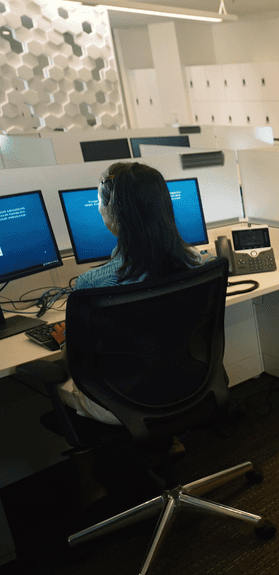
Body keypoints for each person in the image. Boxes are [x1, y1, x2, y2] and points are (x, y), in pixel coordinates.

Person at [51, 162, 202, 426]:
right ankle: (166, 438)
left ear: (113, 212)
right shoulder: (195, 264)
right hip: (189, 384)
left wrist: (66, 341)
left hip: (122, 402)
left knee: (52, 382)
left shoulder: (92, 285)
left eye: (100, 202)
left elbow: (77, 362)